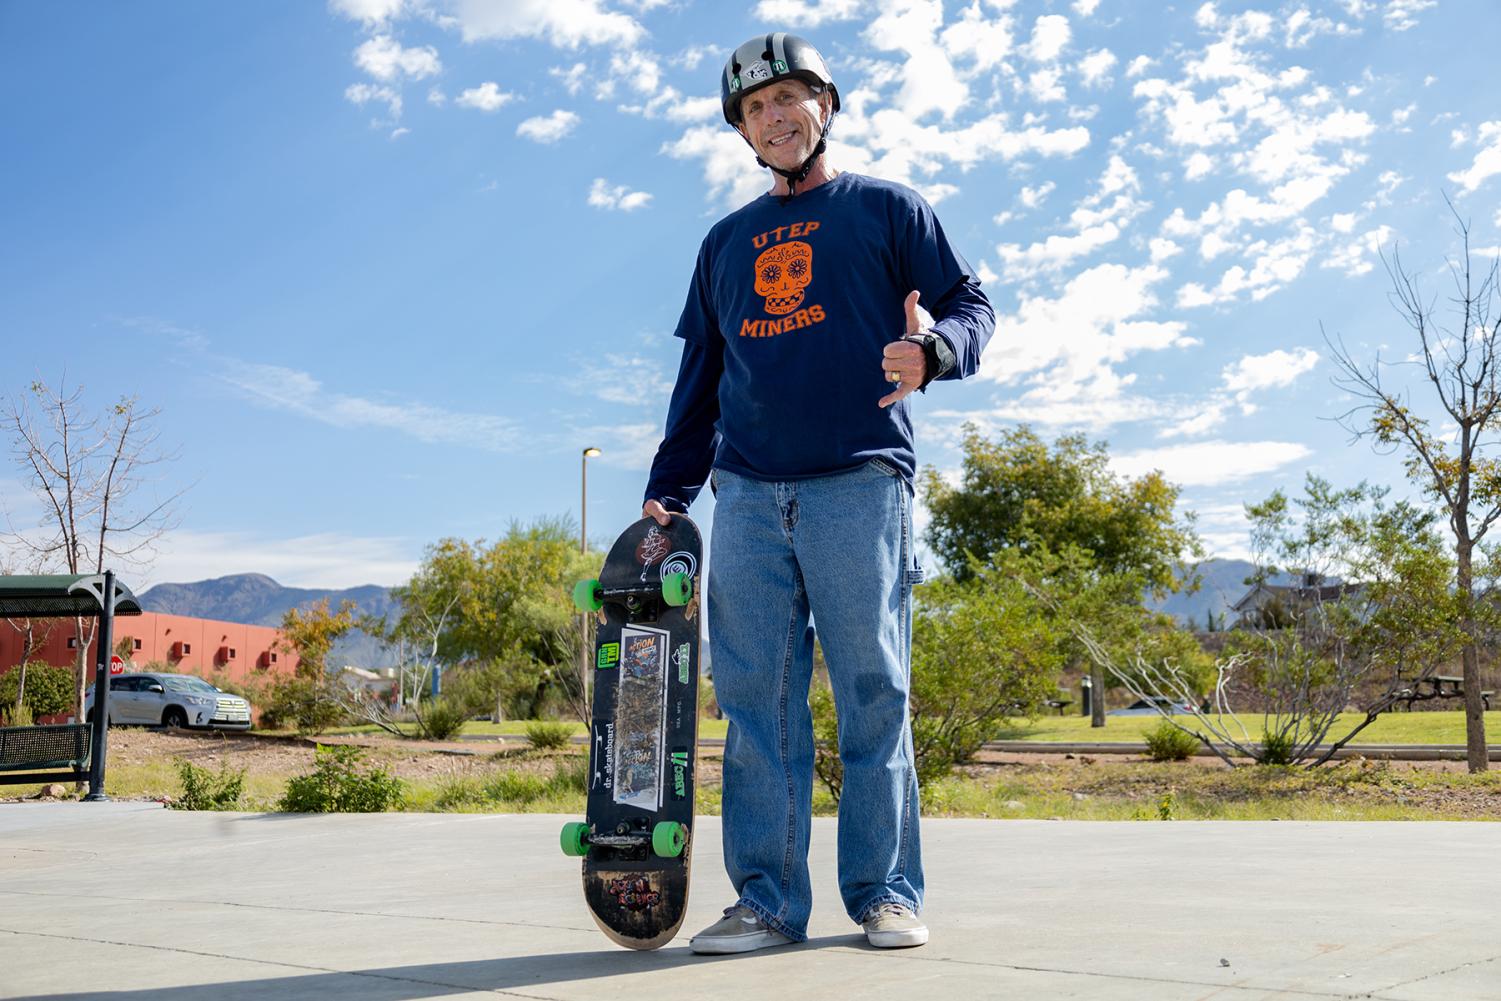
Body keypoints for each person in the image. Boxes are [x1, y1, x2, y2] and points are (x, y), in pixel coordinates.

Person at [642, 32, 995, 954]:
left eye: (789, 98)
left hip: (859, 482)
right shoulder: (724, 242)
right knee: (756, 704)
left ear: (824, 107)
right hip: (750, 495)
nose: (774, 116)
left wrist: (936, 352)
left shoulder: (884, 208)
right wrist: (667, 488)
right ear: (743, 132)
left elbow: (970, 301)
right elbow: (700, 379)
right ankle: (765, 902)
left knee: (873, 694)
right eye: (755, 108)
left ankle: (884, 892)